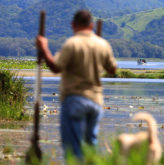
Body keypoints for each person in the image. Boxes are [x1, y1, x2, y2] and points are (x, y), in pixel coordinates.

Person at [36, 10, 117, 159]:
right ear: (91, 25)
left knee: (74, 151)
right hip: (96, 102)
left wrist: (44, 48)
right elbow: (112, 69)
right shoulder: (102, 44)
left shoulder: (72, 43)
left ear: (73, 25)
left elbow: (56, 67)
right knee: (90, 145)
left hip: (75, 100)